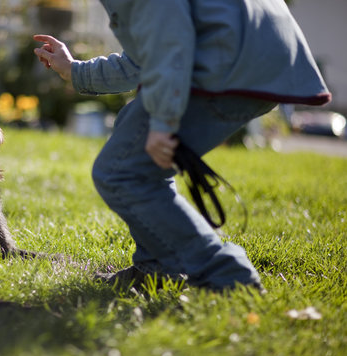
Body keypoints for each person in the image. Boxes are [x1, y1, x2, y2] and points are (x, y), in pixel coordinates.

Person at [33, 0, 330, 291]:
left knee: (121, 170)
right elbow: (148, 56)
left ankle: (228, 275)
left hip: (230, 60)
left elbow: (169, 42)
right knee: (130, 131)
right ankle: (159, 267)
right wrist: (75, 71)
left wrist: (163, 121)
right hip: (254, 54)